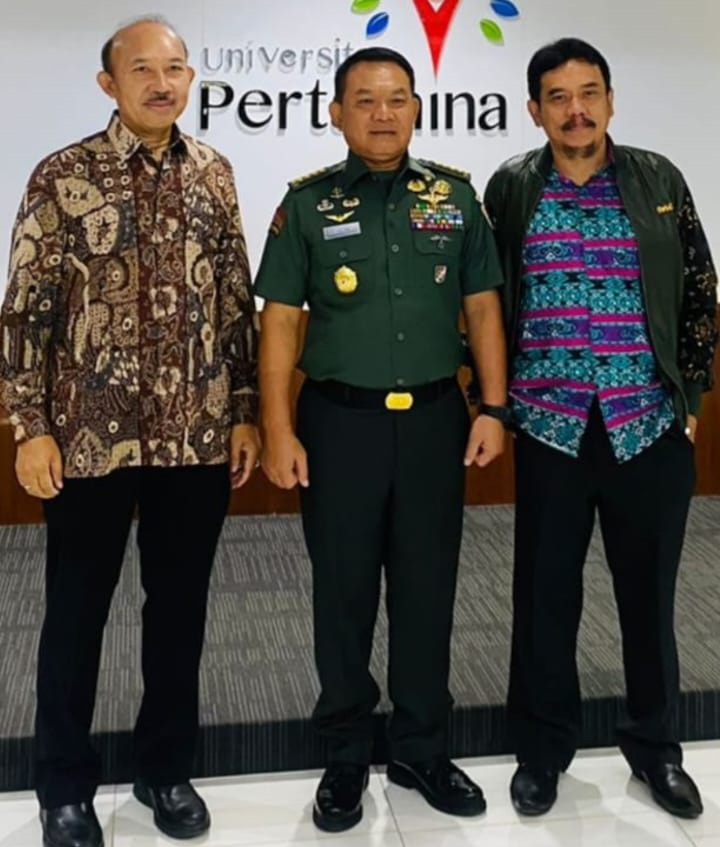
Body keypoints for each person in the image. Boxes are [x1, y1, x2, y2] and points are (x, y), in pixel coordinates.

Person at [0, 16, 259, 847]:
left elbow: (234, 304)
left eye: (174, 67)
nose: (161, 82)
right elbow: (25, 312)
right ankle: (63, 787)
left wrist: (244, 409)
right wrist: (29, 425)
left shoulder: (214, 173)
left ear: (190, 80)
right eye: (142, 69)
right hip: (89, 439)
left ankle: (164, 769)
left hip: (195, 437)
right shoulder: (63, 175)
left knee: (179, 612)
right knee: (76, 614)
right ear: (108, 84)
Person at [255, 46, 508, 832]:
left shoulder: (455, 199)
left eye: (397, 97)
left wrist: (493, 408)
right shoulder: (306, 206)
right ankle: (343, 754)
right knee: (344, 593)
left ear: (417, 108)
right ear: (336, 113)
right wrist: (277, 427)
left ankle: (421, 748)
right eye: (364, 99)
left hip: (436, 421)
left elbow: (483, 307)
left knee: (429, 589)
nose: (382, 113)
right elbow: (281, 322)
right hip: (340, 425)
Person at [483, 37, 718, 820]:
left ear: (611, 101)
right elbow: (484, 302)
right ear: (535, 110)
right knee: (544, 598)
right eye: (558, 97)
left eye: (589, 93)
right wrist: (495, 400)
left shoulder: (658, 181)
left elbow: (699, 289)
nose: (576, 109)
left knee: (649, 599)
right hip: (550, 426)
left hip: (646, 426)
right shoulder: (512, 188)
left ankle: (656, 749)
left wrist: (691, 397)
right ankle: (541, 752)